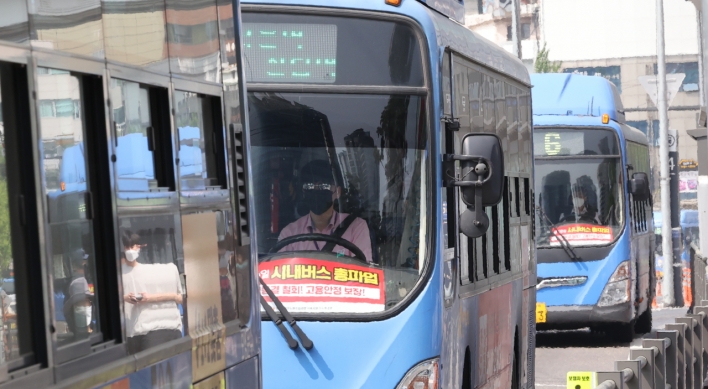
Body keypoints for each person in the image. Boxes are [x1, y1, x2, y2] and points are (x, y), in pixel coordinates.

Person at [278, 159, 373, 262]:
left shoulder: (356, 227)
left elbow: (364, 272)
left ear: (338, 191)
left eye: (323, 186)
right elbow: (280, 273)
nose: (316, 191)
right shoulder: (289, 233)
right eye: (309, 186)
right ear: (303, 191)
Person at [121, 232, 183, 354]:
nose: (130, 250)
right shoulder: (121, 273)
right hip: (132, 330)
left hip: (149, 329)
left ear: (139, 247)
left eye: (132, 246)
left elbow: (180, 297)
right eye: (127, 247)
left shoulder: (157, 270)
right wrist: (125, 298)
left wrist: (150, 298)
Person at [63, 249, 93, 339]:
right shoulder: (73, 282)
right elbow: (69, 310)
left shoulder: (88, 278)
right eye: (83, 261)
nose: (85, 264)